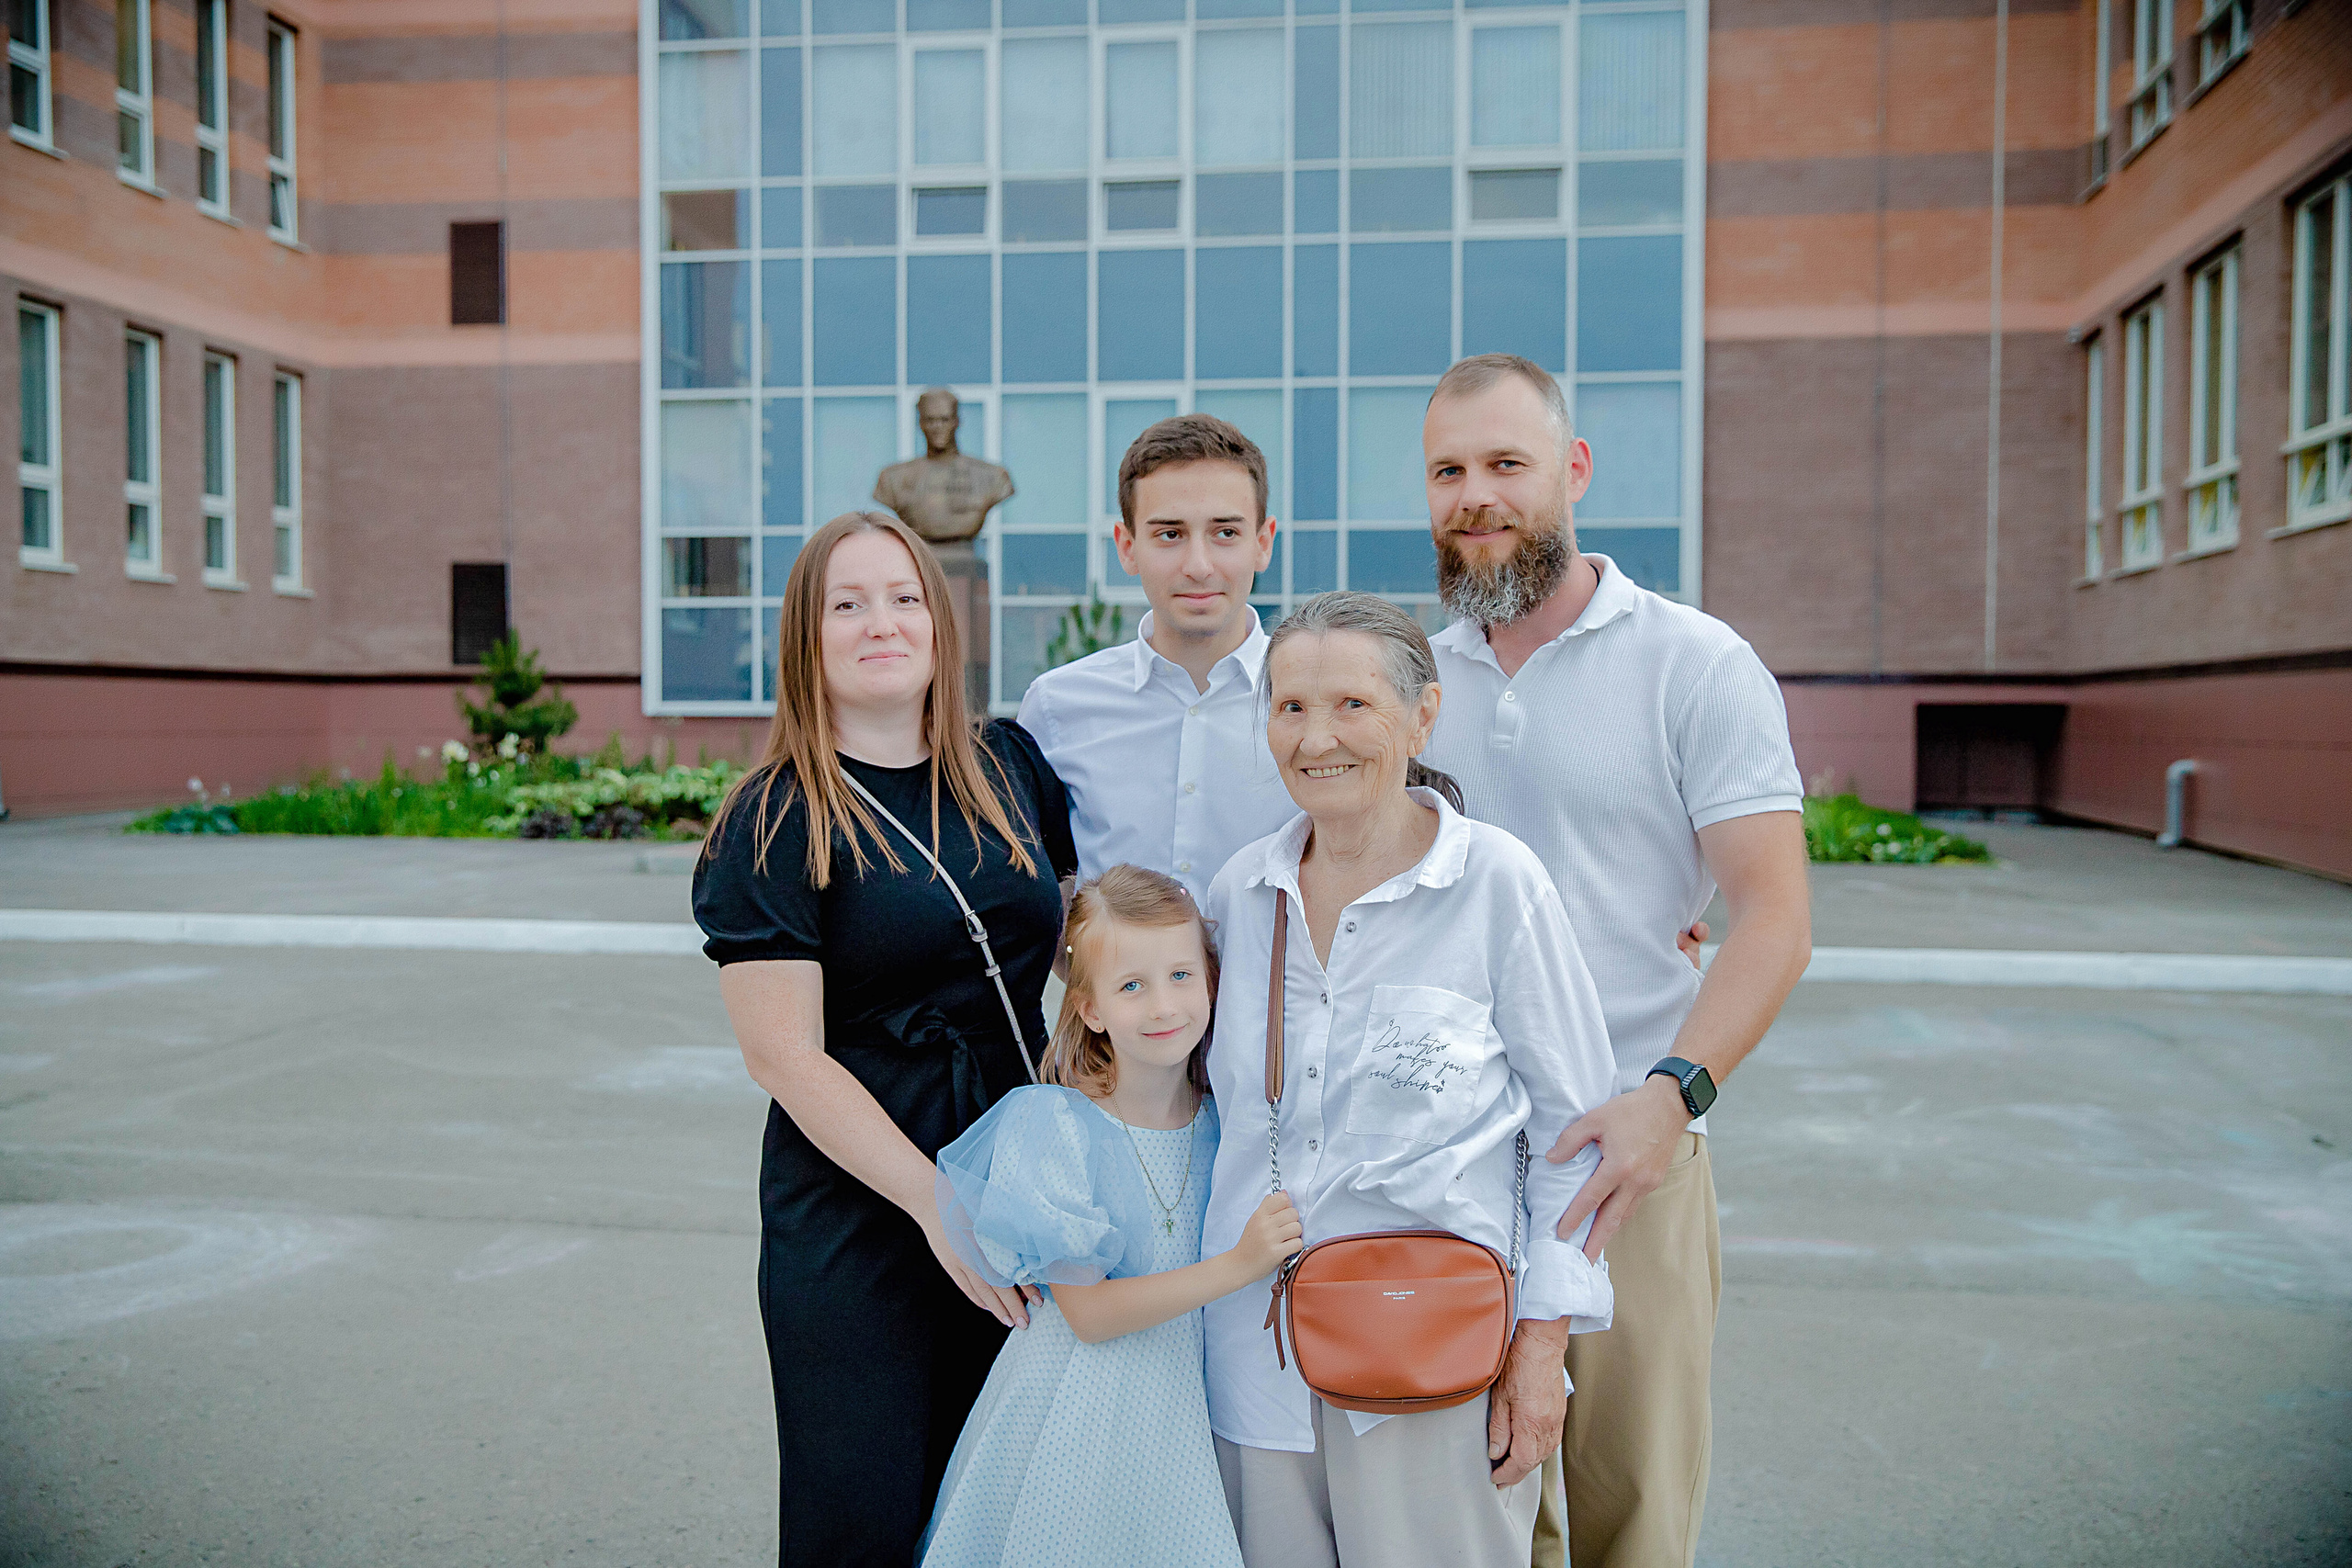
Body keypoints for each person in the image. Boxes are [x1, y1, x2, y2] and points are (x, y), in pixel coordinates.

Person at [1418, 355, 1814, 1568]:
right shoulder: (1414, 681)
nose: (1476, 495)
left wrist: (1671, 1094)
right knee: (1480, 1510)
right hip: (1450, 1165)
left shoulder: (1694, 661)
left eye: (1506, 463)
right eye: (1448, 471)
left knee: (1631, 1513)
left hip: (1626, 1155)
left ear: (1573, 471)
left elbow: (1772, 918)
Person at [1200, 592, 1622, 1568]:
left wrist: (1542, 1347)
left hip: (1433, 1364)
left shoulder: (1495, 885)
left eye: (1352, 705)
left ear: (1422, 714)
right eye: (1290, 709)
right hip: (1253, 1369)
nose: (1317, 739)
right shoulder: (1238, 894)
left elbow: (1573, 1140)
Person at [692, 511, 1080, 1568]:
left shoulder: (1007, 765)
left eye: (905, 598)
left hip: (1013, 1187)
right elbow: (784, 1056)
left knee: (1000, 1503)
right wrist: (932, 1205)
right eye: (847, 604)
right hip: (865, 1214)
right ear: (805, 639)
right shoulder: (774, 816)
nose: (882, 623)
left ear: (938, 624)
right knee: (862, 1515)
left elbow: (1071, 948)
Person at [922, 864, 1305, 1568]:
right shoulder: (1058, 1127)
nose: (1165, 1005)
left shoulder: (1229, 1124)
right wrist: (1237, 1265)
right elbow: (1090, 1313)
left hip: (1187, 1410)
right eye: (1132, 985)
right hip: (1078, 1415)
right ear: (1091, 1006)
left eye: (1182, 975)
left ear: (1213, 982)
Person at [1018, 414, 1298, 908]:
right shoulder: (1057, 707)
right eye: (1170, 534)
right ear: (1127, 548)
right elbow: (1035, 895)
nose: (1198, 565)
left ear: (1263, 542)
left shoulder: (1312, 700)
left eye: (1225, 533)